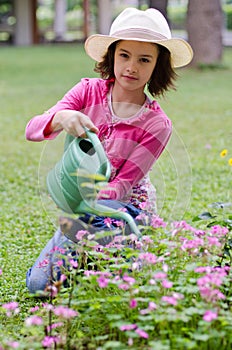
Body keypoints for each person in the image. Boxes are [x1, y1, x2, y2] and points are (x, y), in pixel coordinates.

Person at [25, 7, 193, 293]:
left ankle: (115, 250)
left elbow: (123, 186)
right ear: (112, 55)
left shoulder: (157, 124)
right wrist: (61, 118)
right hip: (84, 207)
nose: (132, 67)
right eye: (124, 55)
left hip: (125, 209)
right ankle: (89, 253)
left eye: (144, 59)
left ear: (157, 65)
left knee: (116, 280)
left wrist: (79, 203)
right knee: (39, 285)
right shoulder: (87, 91)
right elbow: (32, 129)